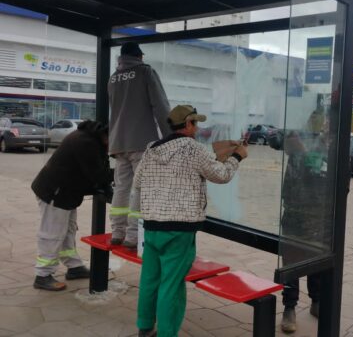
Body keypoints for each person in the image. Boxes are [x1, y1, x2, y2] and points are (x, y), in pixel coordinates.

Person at [133, 105, 247, 337]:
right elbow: (221, 175)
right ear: (187, 124)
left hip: (152, 226)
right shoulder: (193, 149)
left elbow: (137, 182)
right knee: (172, 286)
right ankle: (167, 333)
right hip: (179, 230)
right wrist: (236, 156)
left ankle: (145, 327)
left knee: (150, 278)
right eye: (196, 123)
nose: (198, 128)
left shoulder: (151, 149)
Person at [31, 120, 112, 291]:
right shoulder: (85, 142)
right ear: (107, 135)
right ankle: (43, 274)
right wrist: (118, 174)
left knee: (68, 230)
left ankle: (74, 267)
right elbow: (97, 174)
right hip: (55, 192)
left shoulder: (91, 139)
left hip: (67, 192)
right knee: (52, 233)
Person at [108, 42, 170, 248]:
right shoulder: (145, 72)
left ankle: (117, 232)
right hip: (140, 140)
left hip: (118, 142)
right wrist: (170, 135)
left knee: (121, 188)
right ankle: (132, 236)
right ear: (139, 56)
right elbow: (160, 105)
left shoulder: (113, 77)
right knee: (139, 188)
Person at [280, 110, 331, 333]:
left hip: (319, 218)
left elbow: (342, 184)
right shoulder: (299, 147)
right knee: (291, 264)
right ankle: (289, 308)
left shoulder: (334, 152)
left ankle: (317, 302)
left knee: (317, 263)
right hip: (294, 217)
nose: (325, 128)